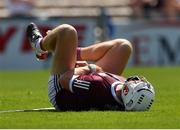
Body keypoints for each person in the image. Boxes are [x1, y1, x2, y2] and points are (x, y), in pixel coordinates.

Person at [26, 23, 155, 111]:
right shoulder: (120, 89)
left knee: (67, 31)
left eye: (137, 83)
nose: (138, 80)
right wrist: (92, 70)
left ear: (127, 91)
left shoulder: (97, 86)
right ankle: (69, 51)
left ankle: (39, 45)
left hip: (61, 91)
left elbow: (64, 80)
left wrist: (90, 69)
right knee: (124, 46)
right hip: (89, 82)